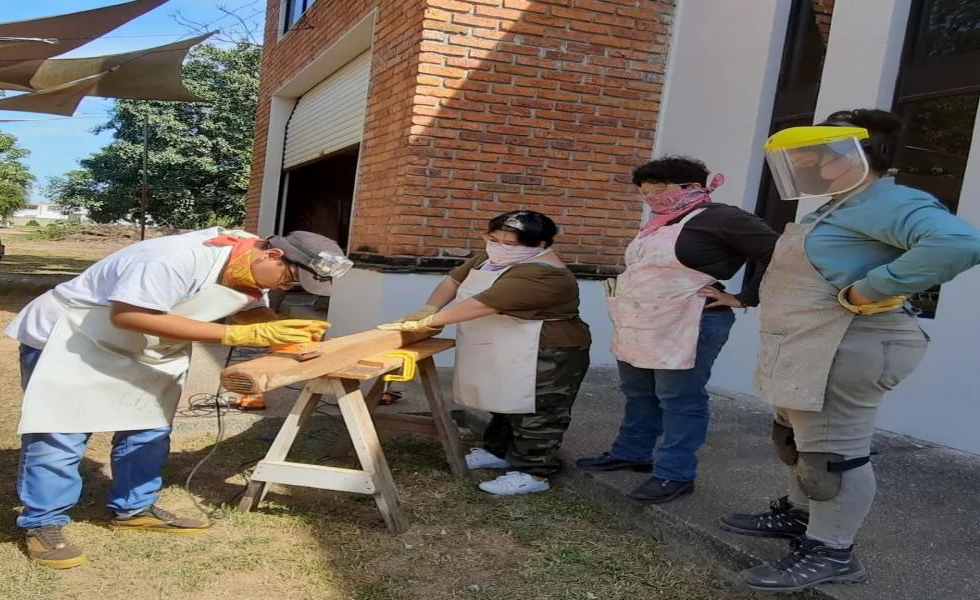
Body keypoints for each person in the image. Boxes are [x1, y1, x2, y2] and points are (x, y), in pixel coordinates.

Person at [720, 109, 980, 592]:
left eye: (815, 154)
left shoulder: (887, 201)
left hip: (848, 345)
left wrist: (873, 288)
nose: (805, 162)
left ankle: (833, 552)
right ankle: (800, 518)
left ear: (851, 157)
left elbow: (960, 242)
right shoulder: (840, 204)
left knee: (832, 455)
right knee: (796, 441)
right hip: (808, 344)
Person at [4, 228, 352, 569]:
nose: (283, 288)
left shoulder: (249, 262)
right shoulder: (174, 258)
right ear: (273, 254)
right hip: (73, 337)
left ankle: (134, 509)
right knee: (62, 431)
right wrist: (238, 334)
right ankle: (43, 522)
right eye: (289, 280)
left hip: (145, 348)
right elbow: (128, 315)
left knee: (148, 427)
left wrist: (283, 337)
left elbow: (249, 307)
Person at [575, 156, 779, 503]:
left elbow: (778, 251)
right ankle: (633, 451)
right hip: (642, 322)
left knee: (679, 398)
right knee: (638, 391)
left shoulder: (722, 217)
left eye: (659, 189)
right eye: (646, 192)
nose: (652, 197)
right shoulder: (660, 223)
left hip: (690, 320)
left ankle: (675, 474)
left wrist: (745, 297)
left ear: (692, 188)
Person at [379, 211, 591, 496]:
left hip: (547, 349)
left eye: (511, 243)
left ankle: (534, 472)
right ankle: (498, 451)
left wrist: (429, 322)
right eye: (494, 239)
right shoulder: (490, 259)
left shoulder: (545, 273)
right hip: (507, 342)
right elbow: (453, 281)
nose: (500, 246)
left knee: (537, 409)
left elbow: (483, 304)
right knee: (503, 398)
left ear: (540, 244)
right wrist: (429, 308)